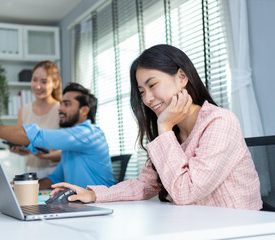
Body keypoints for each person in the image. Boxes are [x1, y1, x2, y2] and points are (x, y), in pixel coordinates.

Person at [50, 44, 262, 210]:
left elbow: (185, 192)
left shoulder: (219, 122)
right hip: (196, 226)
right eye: (142, 91)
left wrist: (165, 128)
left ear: (181, 78)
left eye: (152, 85)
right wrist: (93, 194)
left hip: (238, 229)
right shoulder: (171, 131)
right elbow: (146, 185)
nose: (148, 99)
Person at [0, 82, 116, 189]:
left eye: (67, 104)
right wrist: (16, 188)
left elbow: (34, 136)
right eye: (61, 104)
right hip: (85, 207)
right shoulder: (71, 148)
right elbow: (53, 180)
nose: (60, 109)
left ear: (85, 110)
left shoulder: (90, 133)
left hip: (101, 207)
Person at [10, 60, 62, 179]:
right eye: (34, 80)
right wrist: (18, 149)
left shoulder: (62, 110)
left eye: (44, 81)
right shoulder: (23, 110)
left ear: (55, 84)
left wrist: (46, 156)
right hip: (32, 172)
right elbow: (26, 148)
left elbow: (70, 152)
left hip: (57, 171)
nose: (37, 86)